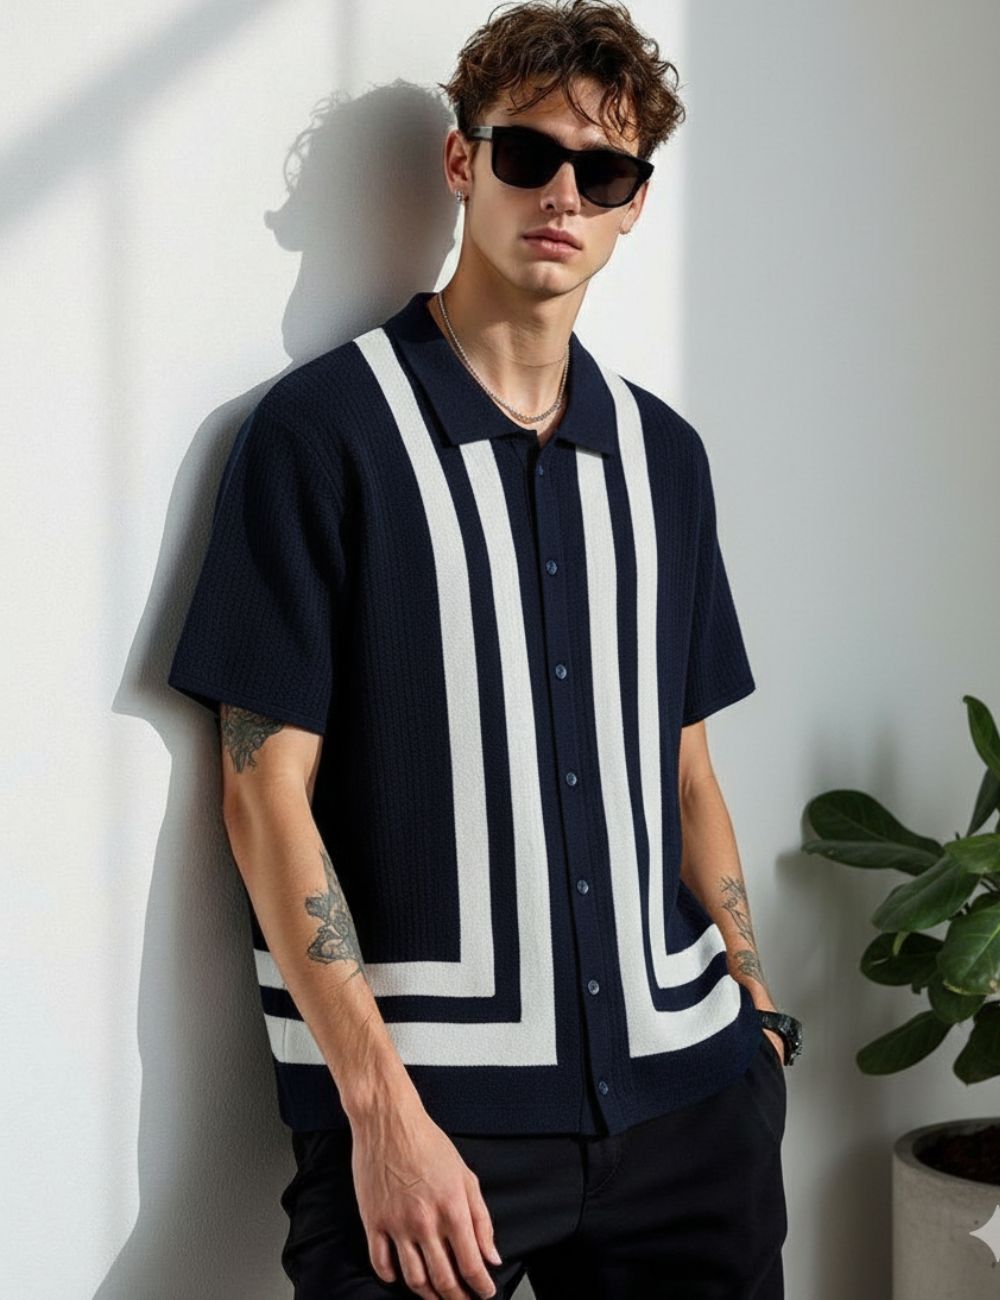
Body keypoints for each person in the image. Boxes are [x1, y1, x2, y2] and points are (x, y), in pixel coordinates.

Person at [168, 1, 803, 1296]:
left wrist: (756, 1016)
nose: (564, 193)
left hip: (693, 1106)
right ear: (464, 162)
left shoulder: (664, 459)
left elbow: (686, 770)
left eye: (605, 172)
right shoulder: (322, 435)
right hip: (426, 1126)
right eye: (529, 154)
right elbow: (261, 794)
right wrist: (380, 1116)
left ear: (634, 205)